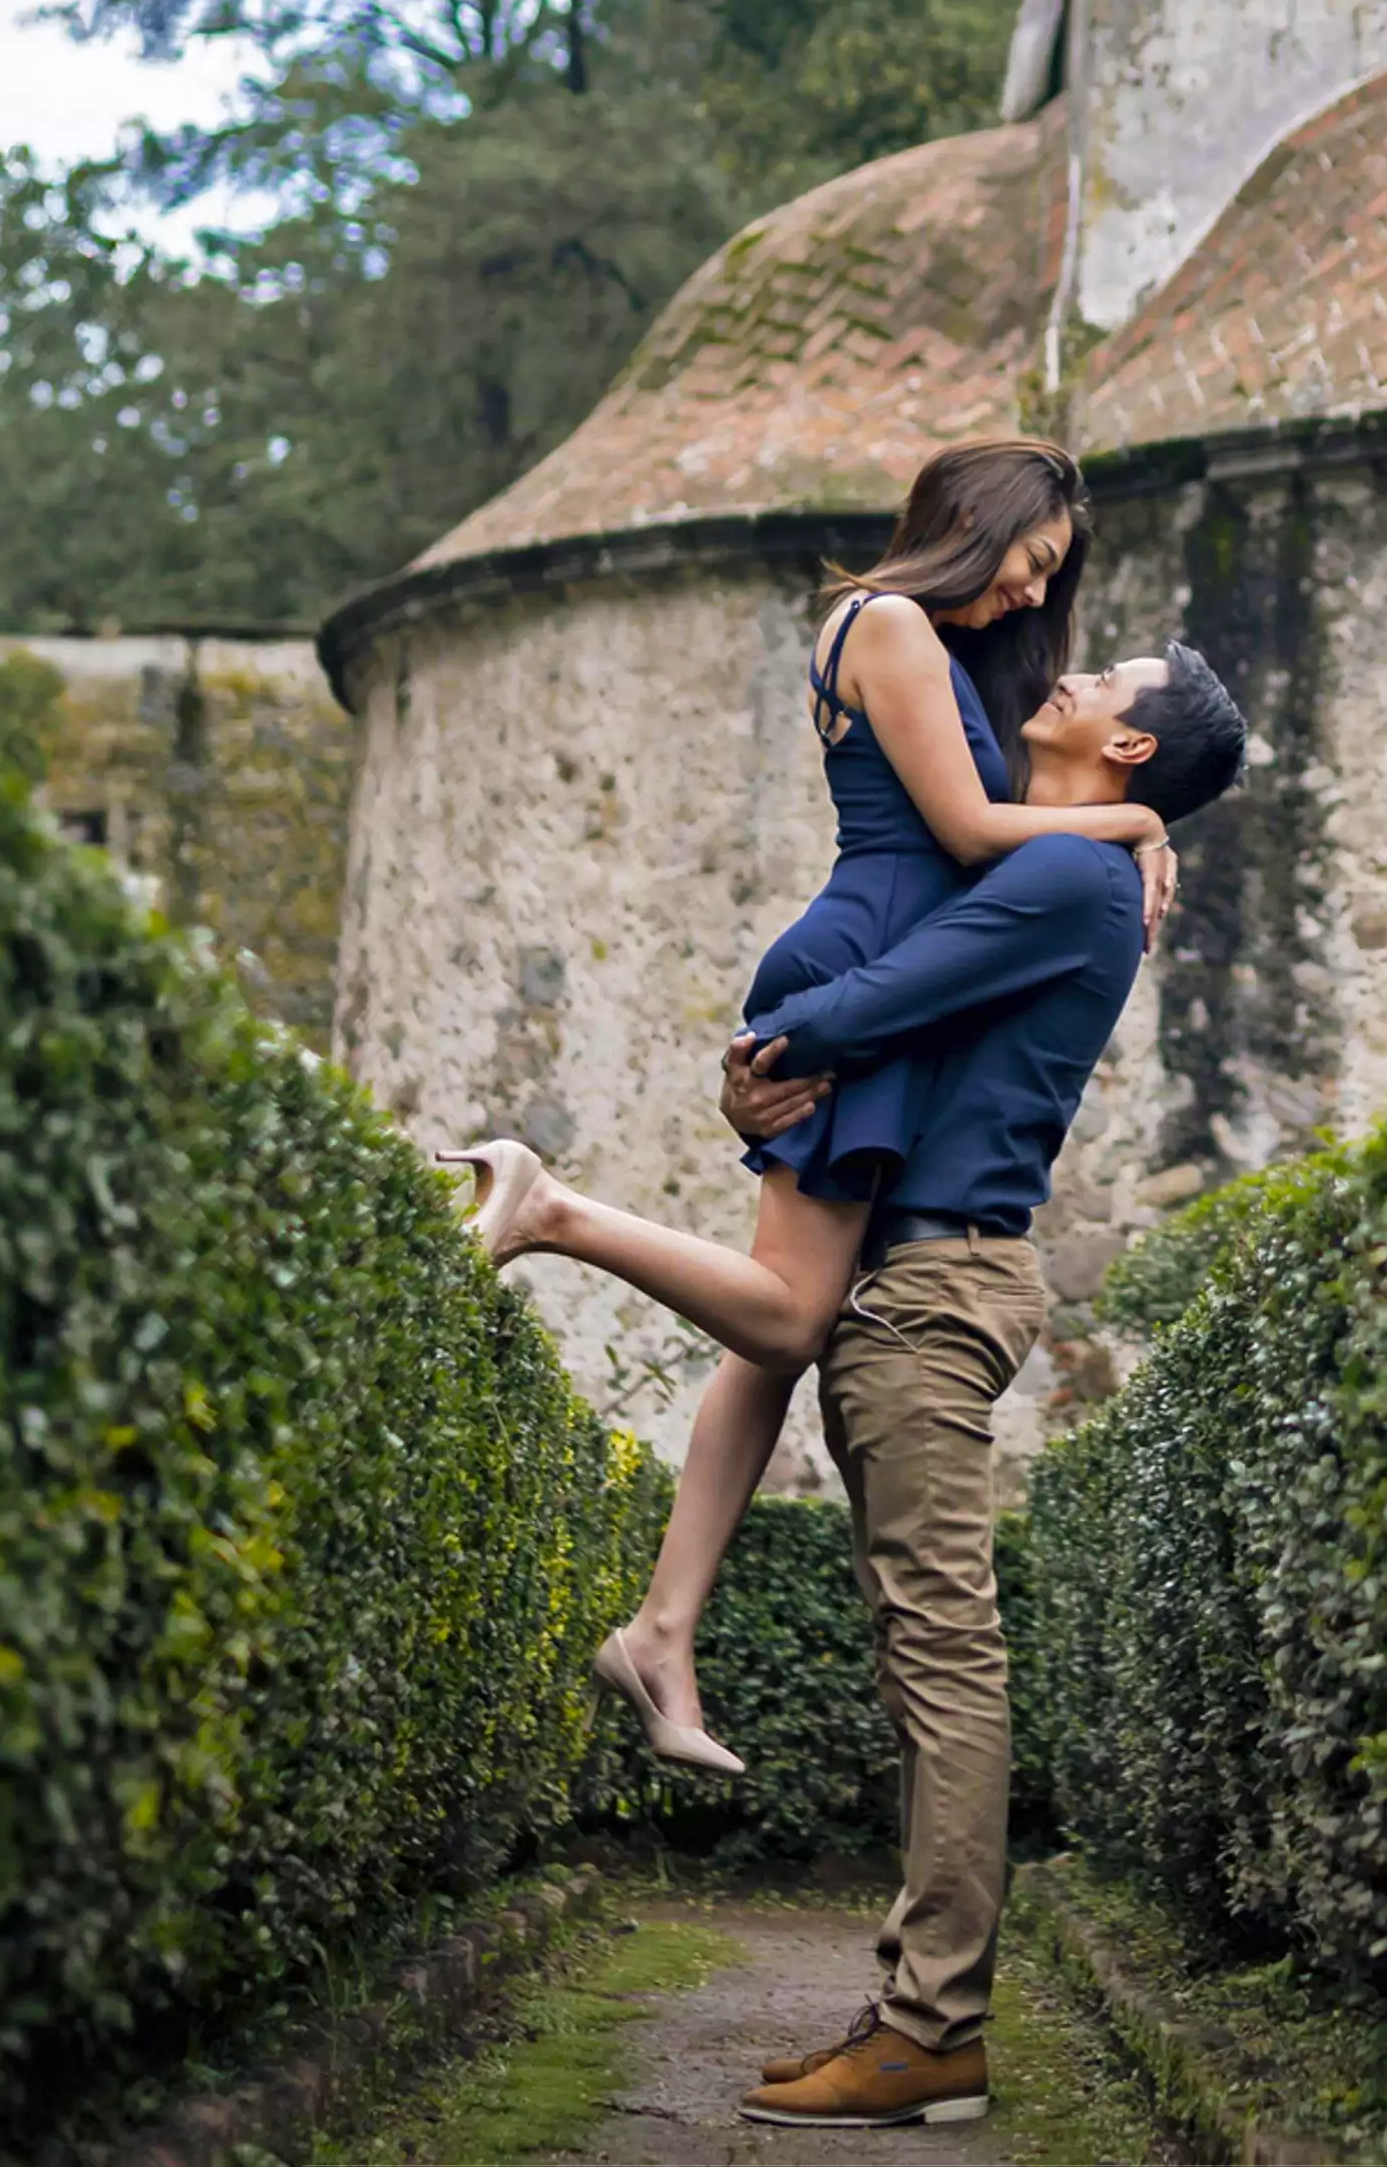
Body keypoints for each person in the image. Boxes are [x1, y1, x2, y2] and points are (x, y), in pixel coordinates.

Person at [439, 439, 1174, 1772]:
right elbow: (958, 831)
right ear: (977, 517)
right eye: (1031, 558)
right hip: (860, 968)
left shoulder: (940, 647)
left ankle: (663, 1629)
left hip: (887, 973)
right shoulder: (883, 619)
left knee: (771, 1338)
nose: (1030, 591)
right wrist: (1132, 825)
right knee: (790, 1310)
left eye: (1049, 578)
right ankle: (544, 1206)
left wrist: (1129, 824)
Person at [709, 644, 1248, 2130]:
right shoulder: (1080, 865)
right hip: (934, 1271)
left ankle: (933, 2025)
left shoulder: (1064, 884)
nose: (1064, 671)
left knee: (942, 1654)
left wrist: (758, 1054)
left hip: (937, 1280)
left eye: (1099, 677)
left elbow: (866, 1000)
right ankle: (911, 2006)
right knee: (921, 1650)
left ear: (1129, 748)